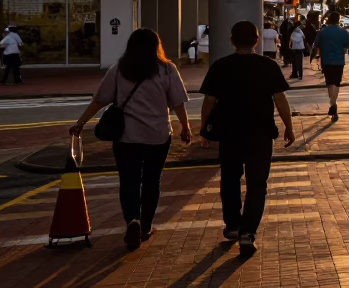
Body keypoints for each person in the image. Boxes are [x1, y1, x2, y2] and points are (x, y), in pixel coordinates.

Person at [69, 29, 190, 251]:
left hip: (126, 137)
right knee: (152, 181)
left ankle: (132, 220)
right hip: (158, 136)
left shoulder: (119, 69)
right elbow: (178, 102)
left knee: (129, 181)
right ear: (156, 45)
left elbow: (100, 100)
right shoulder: (167, 69)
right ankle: (145, 227)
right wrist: (185, 126)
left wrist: (81, 122)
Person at [198, 21, 295, 258]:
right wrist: (288, 127)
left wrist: (204, 129)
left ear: (232, 40)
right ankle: (248, 232)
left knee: (230, 179)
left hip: (229, 133)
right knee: (257, 183)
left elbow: (209, 101)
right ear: (257, 40)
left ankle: (232, 226)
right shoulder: (268, 65)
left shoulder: (221, 66)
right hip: (260, 133)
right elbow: (280, 99)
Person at [312, 11, 349, 121]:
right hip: (338, 62)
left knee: (330, 83)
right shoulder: (343, 32)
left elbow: (315, 46)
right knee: (336, 83)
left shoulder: (322, 32)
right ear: (338, 20)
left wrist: (313, 58)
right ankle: (333, 104)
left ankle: (333, 104)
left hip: (326, 61)